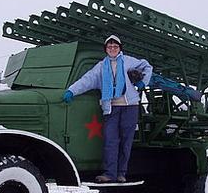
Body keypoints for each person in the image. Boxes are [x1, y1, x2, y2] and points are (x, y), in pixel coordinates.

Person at [63, 35, 153, 183]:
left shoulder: (128, 61)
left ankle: (121, 173)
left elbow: (147, 66)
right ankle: (110, 174)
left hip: (130, 107)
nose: (112, 49)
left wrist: (144, 81)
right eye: (109, 47)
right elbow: (87, 80)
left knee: (126, 141)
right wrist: (72, 91)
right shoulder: (100, 67)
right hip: (111, 108)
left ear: (120, 48)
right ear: (106, 49)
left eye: (115, 46)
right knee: (111, 141)